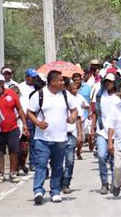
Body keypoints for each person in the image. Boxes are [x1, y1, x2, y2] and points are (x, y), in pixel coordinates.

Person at [27, 70, 78, 204]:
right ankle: (38, 190)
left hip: (60, 139)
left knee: (57, 167)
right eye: (60, 80)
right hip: (42, 138)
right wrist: (38, 123)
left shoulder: (66, 95)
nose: (63, 82)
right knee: (41, 165)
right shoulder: (40, 95)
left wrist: (72, 118)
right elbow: (29, 112)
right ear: (53, 82)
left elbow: (74, 110)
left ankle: (55, 191)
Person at [0, 74, 29, 183]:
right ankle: (1, 173)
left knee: (14, 149)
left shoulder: (11, 93)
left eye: (1, 82)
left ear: (3, 83)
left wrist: (24, 124)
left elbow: (19, 109)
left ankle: (13, 172)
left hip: (12, 127)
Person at [91, 73, 120, 195]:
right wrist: (92, 128)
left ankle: (114, 182)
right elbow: (96, 112)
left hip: (116, 131)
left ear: (115, 83)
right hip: (102, 130)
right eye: (106, 81)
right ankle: (104, 182)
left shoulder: (120, 96)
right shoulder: (100, 94)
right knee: (102, 156)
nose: (108, 84)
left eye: (110, 82)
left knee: (115, 159)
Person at [61, 82, 84, 194]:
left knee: (69, 160)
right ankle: (59, 180)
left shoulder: (72, 99)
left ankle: (66, 183)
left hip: (70, 134)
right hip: (57, 135)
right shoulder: (52, 98)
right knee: (58, 162)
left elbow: (78, 117)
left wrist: (79, 134)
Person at [18, 68, 39, 174]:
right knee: (23, 143)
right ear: (26, 77)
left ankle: (33, 163)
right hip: (23, 118)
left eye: (35, 77)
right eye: (32, 77)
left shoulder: (37, 87)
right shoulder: (20, 87)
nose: (34, 79)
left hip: (35, 117)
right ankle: (20, 163)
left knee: (33, 141)